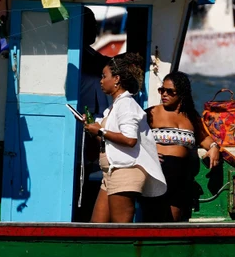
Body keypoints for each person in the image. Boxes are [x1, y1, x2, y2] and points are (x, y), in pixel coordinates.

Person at [84, 53, 166, 223]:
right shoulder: (114, 107)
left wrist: (100, 131)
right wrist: (93, 131)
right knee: (96, 227)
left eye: (104, 76)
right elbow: (110, 142)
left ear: (117, 79)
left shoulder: (126, 105)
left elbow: (129, 140)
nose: (100, 80)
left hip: (126, 171)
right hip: (112, 172)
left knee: (120, 229)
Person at [146, 71, 212, 222]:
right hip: (158, 175)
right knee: (154, 224)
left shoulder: (190, 116)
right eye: (162, 90)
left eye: (170, 91)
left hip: (182, 178)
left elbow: (204, 138)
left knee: (173, 225)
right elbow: (134, 137)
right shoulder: (151, 113)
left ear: (181, 94)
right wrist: (148, 150)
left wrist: (214, 147)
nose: (164, 94)